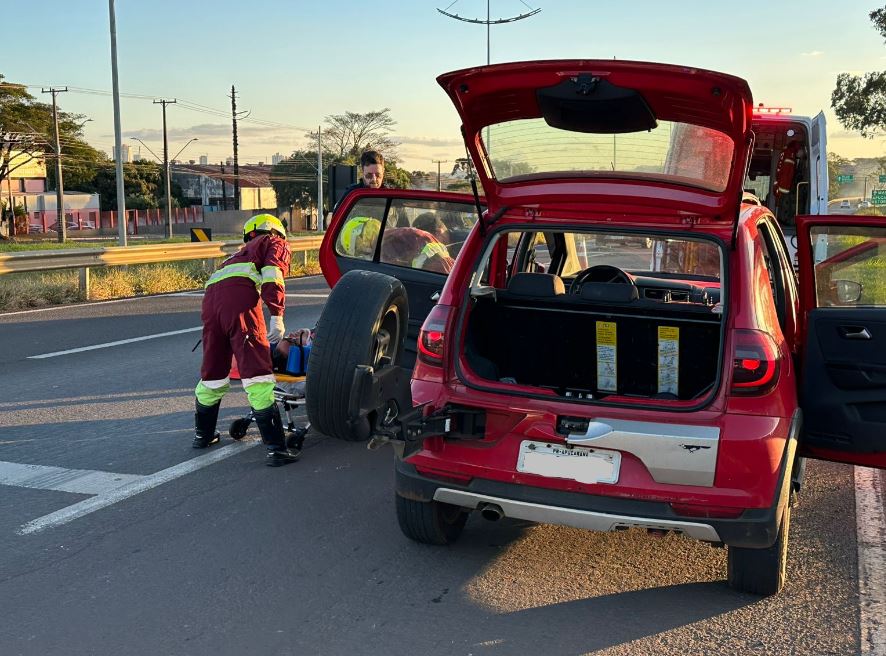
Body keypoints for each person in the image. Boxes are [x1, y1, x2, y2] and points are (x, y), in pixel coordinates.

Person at [193, 213, 301, 467]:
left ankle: (203, 435)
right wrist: (277, 314)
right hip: (238, 307)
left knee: (213, 374)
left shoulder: (234, 256)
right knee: (257, 375)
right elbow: (274, 274)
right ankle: (277, 450)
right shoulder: (273, 242)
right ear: (275, 231)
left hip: (210, 307)